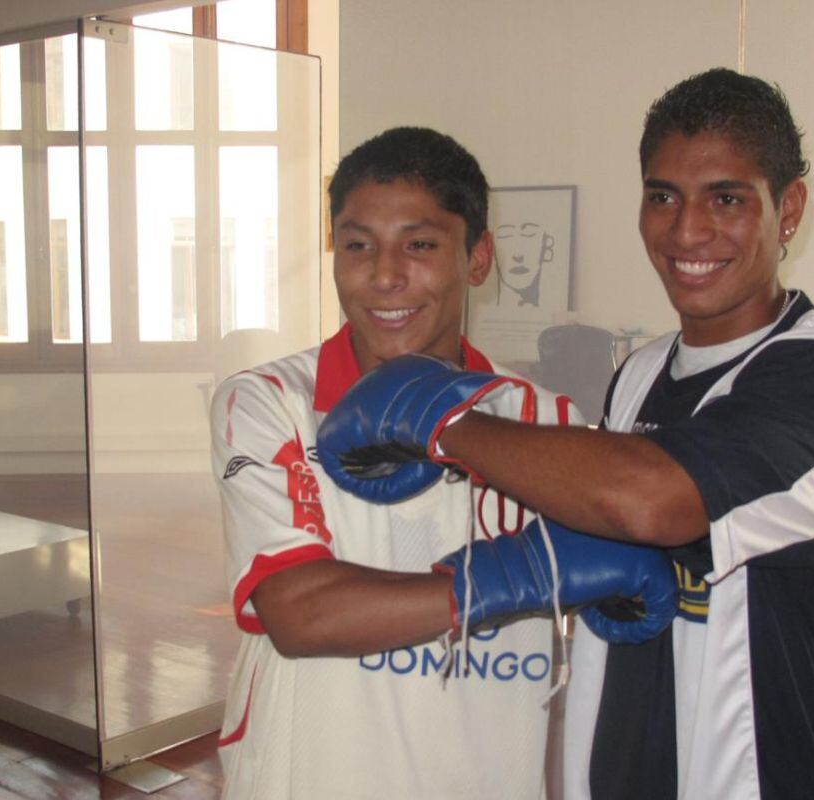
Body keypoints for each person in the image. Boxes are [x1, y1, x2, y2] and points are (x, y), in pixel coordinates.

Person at [321, 69, 814, 799]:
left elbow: (650, 501)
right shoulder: (642, 372)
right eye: (663, 197)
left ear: (788, 210)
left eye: (726, 198)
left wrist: (437, 416)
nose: (687, 230)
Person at [209, 126, 680, 799]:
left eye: (421, 244)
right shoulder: (269, 404)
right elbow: (300, 613)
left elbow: (667, 589)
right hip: (306, 777)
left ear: (479, 257)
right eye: (357, 244)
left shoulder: (549, 425)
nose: (384, 273)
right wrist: (524, 571)